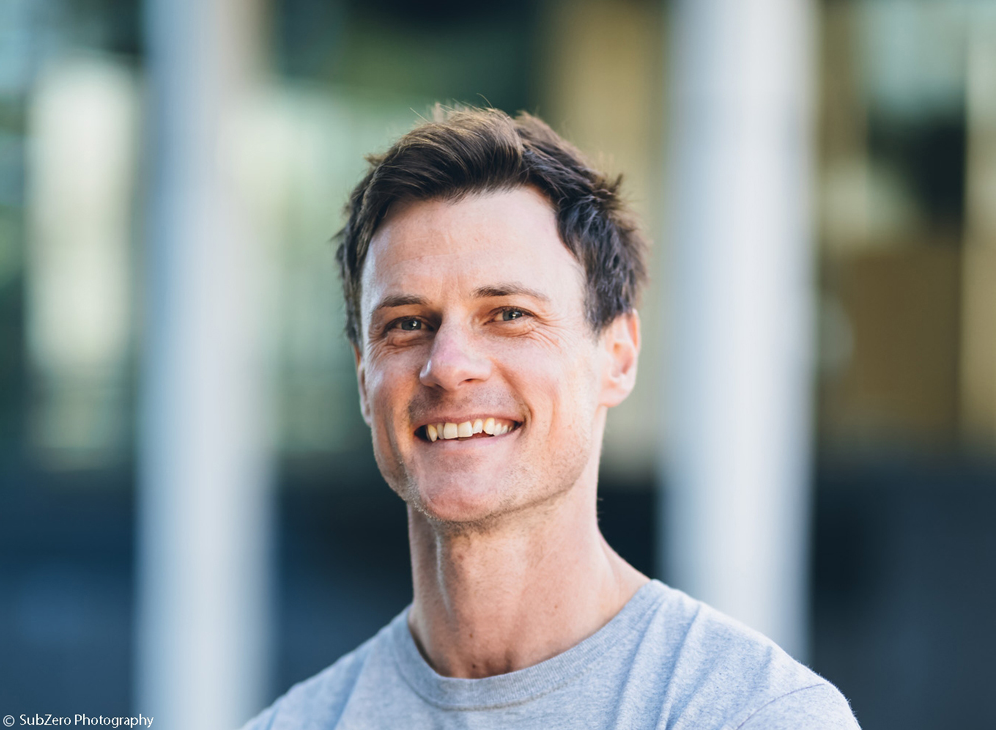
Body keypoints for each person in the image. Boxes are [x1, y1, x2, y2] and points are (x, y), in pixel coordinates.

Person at [242, 107, 860, 729]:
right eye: (407, 324)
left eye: (509, 314)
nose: (447, 366)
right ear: (362, 376)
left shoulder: (753, 714)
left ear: (617, 357)